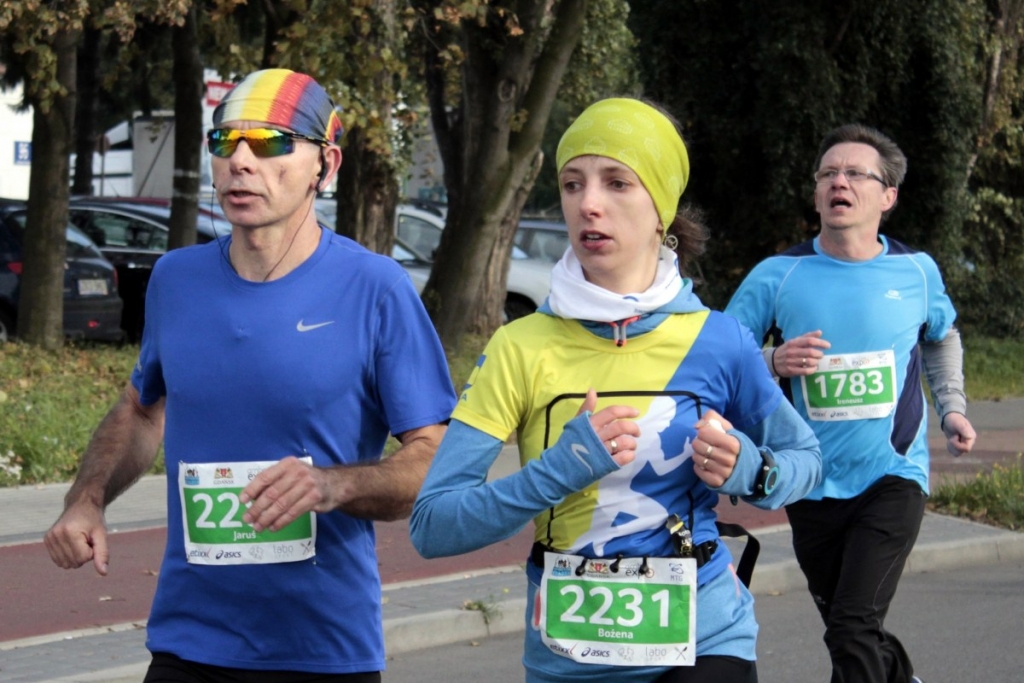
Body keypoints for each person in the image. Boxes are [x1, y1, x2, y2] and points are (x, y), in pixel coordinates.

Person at [44, 68, 457, 682]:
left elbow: (435, 457)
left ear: (325, 164)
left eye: (268, 142)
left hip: (322, 650)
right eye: (224, 141)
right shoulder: (176, 280)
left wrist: (332, 486)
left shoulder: (376, 288)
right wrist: (86, 499)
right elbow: (141, 408)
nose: (239, 161)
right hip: (188, 643)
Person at [409, 97, 823, 683]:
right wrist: (557, 472)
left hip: (704, 639)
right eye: (572, 184)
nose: (589, 203)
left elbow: (807, 461)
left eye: (617, 182)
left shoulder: (719, 340)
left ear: (661, 210)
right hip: (570, 659)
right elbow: (432, 526)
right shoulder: (519, 346)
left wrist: (750, 470)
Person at [724, 123, 977, 683]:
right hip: (809, 480)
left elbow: (941, 337)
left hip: (893, 475)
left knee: (851, 628)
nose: (839, 182)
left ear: (887, 196)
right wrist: (773, 360)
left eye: (855, 173)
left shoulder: (916, 271)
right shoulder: (777, 275)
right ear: (817, 194)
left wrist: (952, 407)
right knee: (853, 630)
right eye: (828, 174)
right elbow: (720, 359)